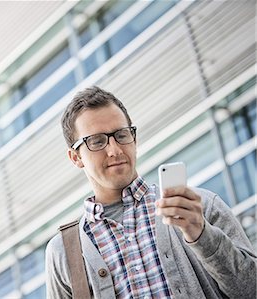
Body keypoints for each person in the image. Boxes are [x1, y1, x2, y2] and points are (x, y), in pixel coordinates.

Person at [45, 86, 256, 298]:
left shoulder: (199, 207)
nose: (115, 150)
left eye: (121, 135)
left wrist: (202, 235)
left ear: (134, 140)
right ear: (76, 157)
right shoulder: (63, 252)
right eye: (97, 141)